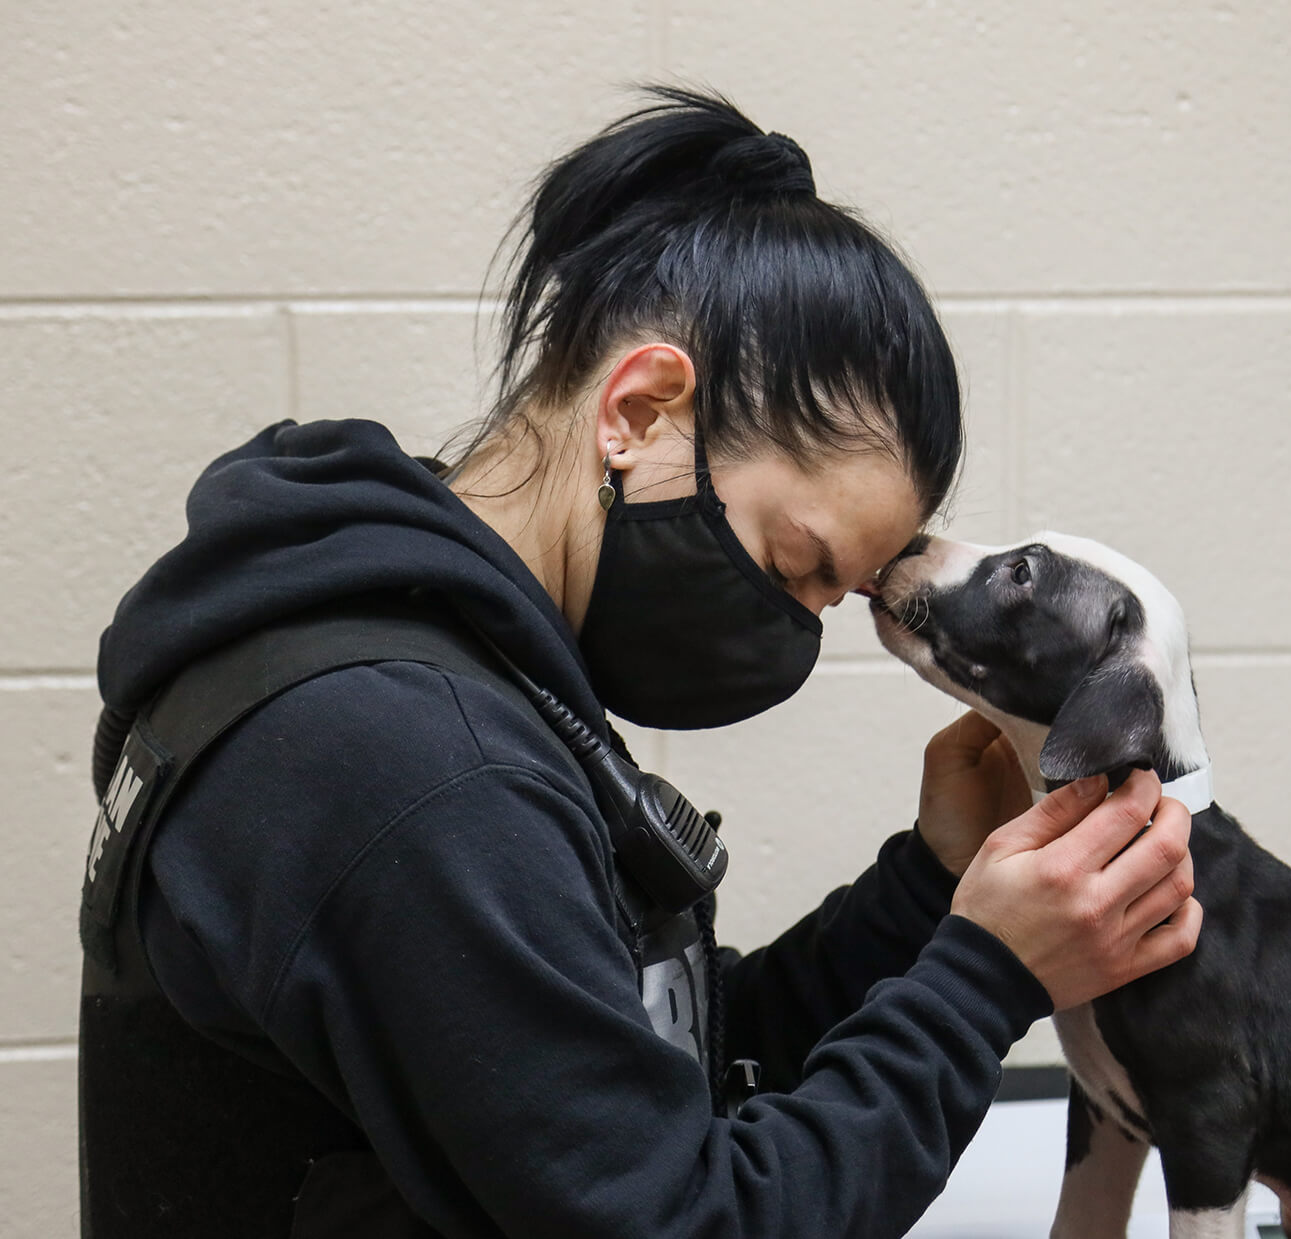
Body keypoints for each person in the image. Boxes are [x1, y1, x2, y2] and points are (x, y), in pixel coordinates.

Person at [80, 87, 1200, 1238]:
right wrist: (985, 981)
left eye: (834, 595)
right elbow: (686, 1218)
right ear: (640, 408)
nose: (792, 631)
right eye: (794, 562)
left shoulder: (435, 658)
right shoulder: (409, 766)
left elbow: (632, 1088)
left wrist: (926, 890)